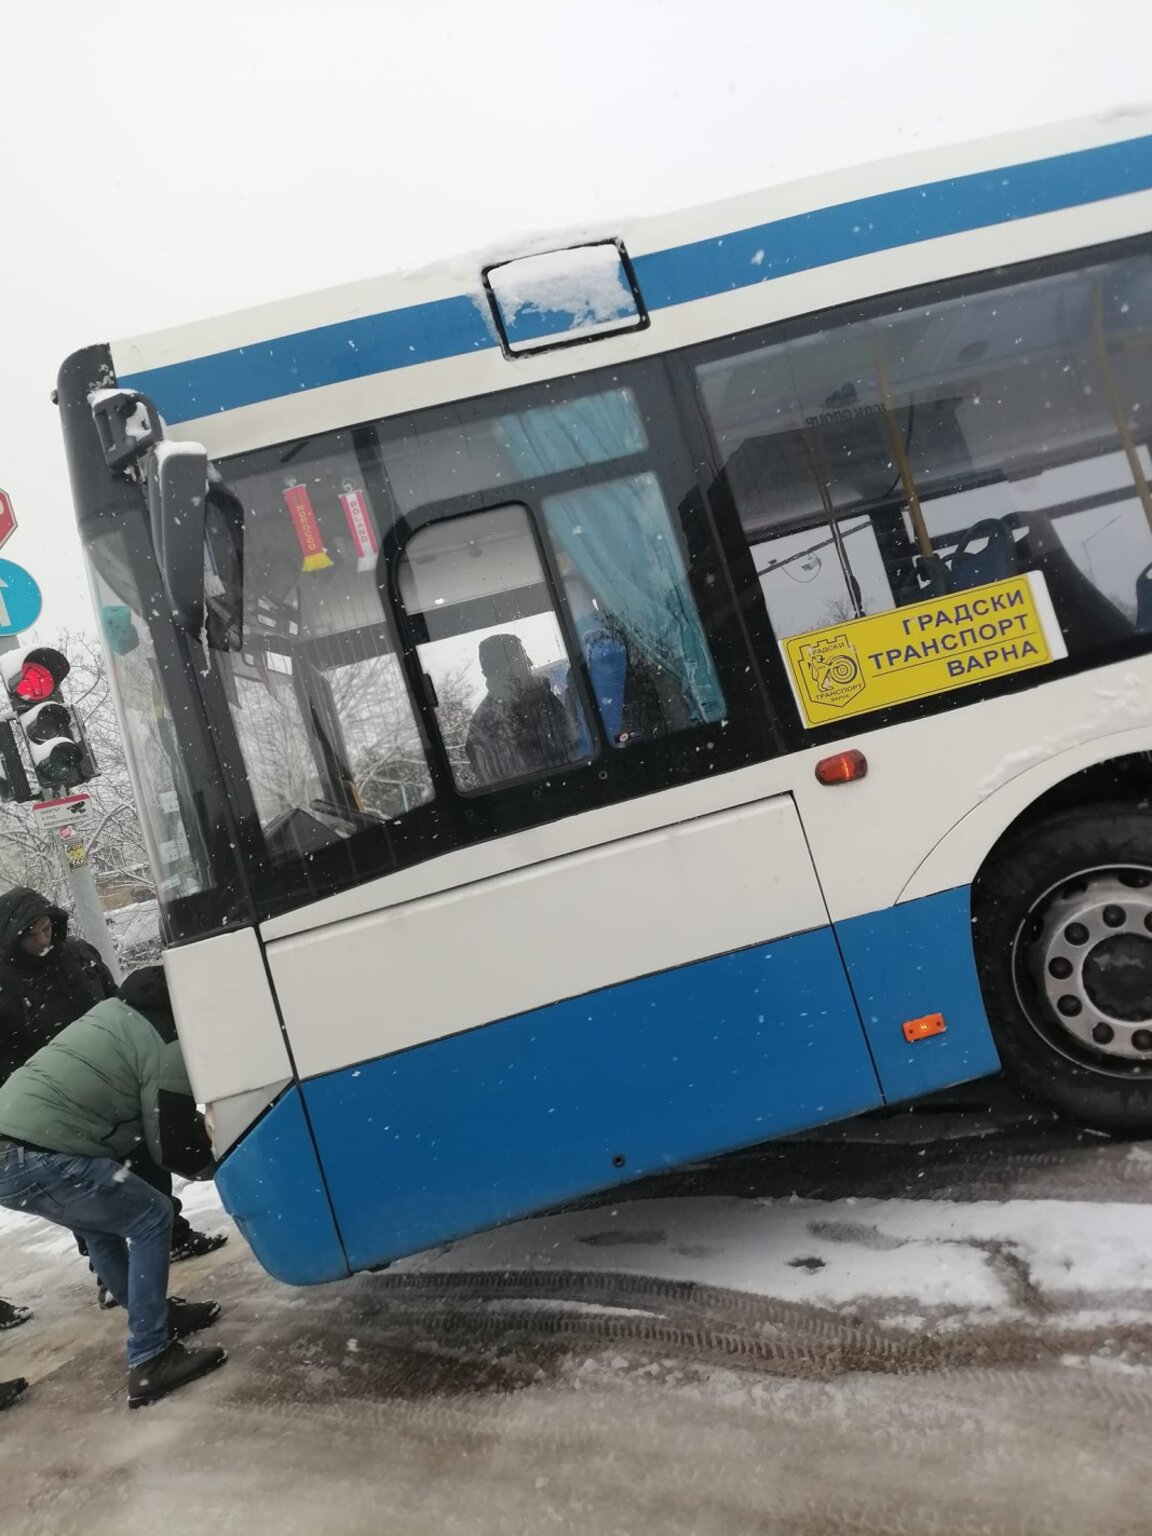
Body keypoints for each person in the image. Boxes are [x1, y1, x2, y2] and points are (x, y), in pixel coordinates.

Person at [0, 966, 227, 1408]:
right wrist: (225, 1164)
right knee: (152, 1215)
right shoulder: (165, 1040)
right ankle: (150, 1357)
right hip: (35, 1152)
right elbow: (172, 1142)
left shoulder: (113, 1013)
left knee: (102, 1226)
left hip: (15, 1148)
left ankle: (157, 1319)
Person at [0, 887, 226, 1279]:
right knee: (86, 1189)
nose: (42, 939)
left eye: (45, 927)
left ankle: (173, 1235)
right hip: (61, 1097)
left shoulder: (79, 955)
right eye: (30, 933)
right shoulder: (5, 983)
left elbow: (116, 1000)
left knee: (145, 1161)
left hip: (118, 1070)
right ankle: (108, 1271)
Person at [464, 633, 576, 787]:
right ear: (504, 667)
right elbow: (576, 745)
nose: (529, 662)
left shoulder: (480, 725)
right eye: (522, 656)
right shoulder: (541, 699)